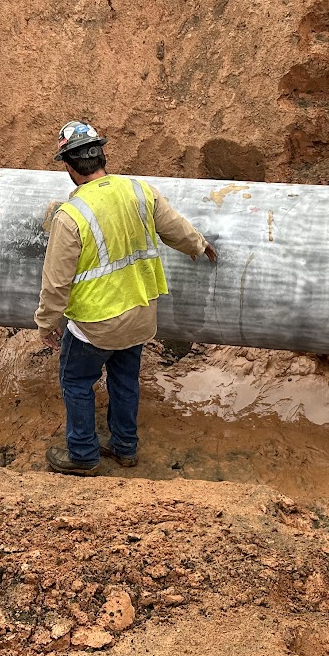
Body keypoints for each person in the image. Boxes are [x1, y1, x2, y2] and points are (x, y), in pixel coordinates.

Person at [36, 121, 217, 476]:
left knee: (76, 382)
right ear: (102, 155)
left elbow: (56, 282)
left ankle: (84, 455)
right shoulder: (139, 190)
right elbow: (174, 227)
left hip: (96, 324)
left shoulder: (71, 215)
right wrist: (199, 243)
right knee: (124, 381)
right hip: (139, 313)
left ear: (69, 167)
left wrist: (45, 323)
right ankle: (124, 447)